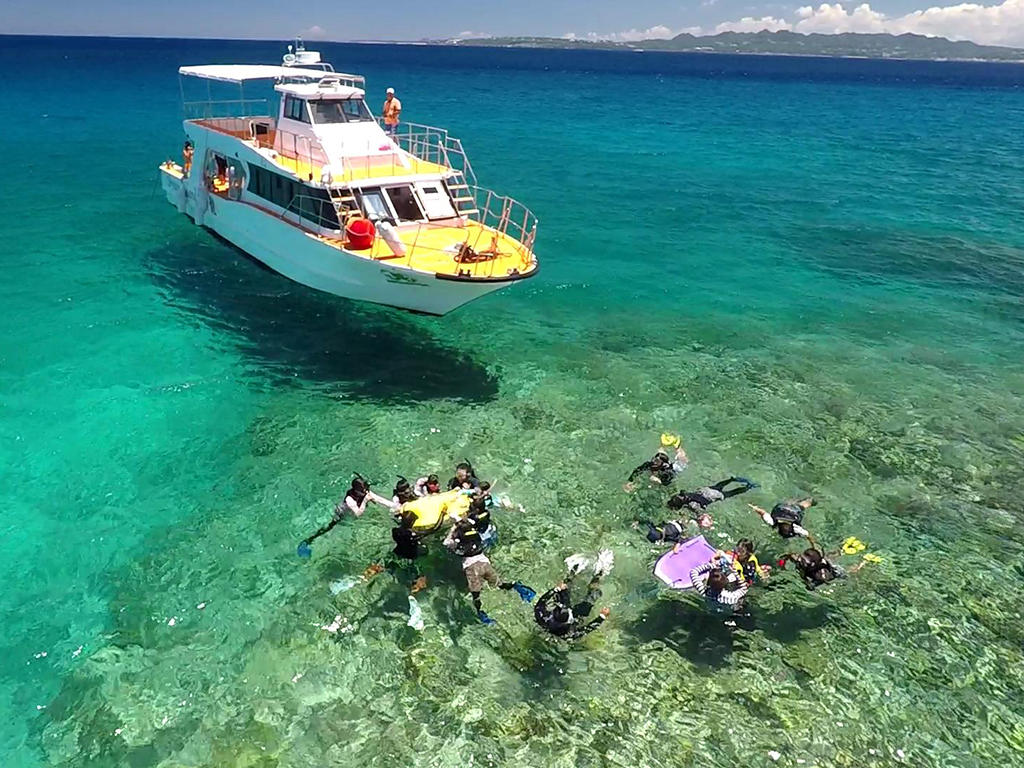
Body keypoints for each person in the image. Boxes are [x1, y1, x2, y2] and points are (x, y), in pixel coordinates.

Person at [444, 519, 531, 622]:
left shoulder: (460, 544)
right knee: (499, 584)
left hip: (473, 569)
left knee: (476, 594)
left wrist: (453, 529)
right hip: (485, 564)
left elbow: (446, 543)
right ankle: (516, 586)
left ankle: (480, 612)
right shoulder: (477, 536)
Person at [534, 552, 613, 640]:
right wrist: (602, 617)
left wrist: (556, 589)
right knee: (591, 597)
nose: (568, 609)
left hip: (560, 615)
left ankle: (573, 570)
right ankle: (600, 574)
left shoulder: (542, 618)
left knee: (563, 587)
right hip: (576, 617)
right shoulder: (569, 634)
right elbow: (587, 629)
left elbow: (541, 603)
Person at [667, 477, 758, 520]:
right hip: (706, 490)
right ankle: (731, 479)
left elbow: (700, 513)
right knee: (718, 486)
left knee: (730, 493)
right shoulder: (682, 494)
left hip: (713, 496)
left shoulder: (691, 504)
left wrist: (696, 518)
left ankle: (748, 487)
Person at [778, 547, 861, 591]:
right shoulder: (821, 561)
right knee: (846, 573)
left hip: (824, 577)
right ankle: (859, 564)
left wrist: (803, 578)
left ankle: (860, 564)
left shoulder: (807, 566)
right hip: (827, 574)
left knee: (846, 573)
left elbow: (808, 582)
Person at [749, 498, 817, 542]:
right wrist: (755, 508)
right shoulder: (772, 522)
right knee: (799, 505)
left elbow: (808, 535)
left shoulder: (796, 528)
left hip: (787, 510)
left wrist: (755, 508)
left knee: (803, 505)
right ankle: (803, 501)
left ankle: (809, 500)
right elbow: (763, 512)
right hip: (782, 508)